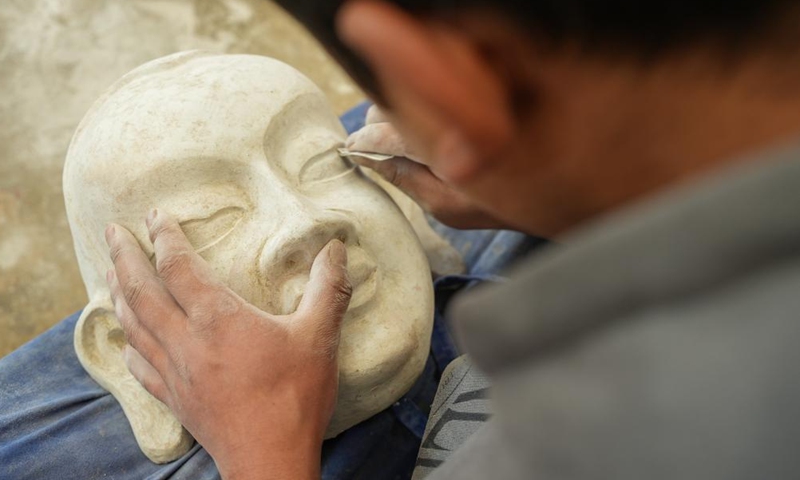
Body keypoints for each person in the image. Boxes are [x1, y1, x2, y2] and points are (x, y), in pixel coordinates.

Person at [5, 0, 800, 477]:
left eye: (319, 166)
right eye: (211, 215)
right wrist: (563, 182)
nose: (307, 218)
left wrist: (265, 454)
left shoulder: (593, 440)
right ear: (119, 350)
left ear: (453, 87)